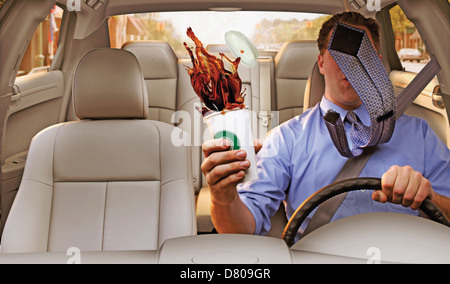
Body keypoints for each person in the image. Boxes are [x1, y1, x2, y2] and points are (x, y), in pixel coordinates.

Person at [201, 11, 450, 237]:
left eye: (363, 53)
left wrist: (429, 198)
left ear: (377, 63)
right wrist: (223, 198)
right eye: (340, 52)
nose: (352, 63)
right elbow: (241, 230)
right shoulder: (286, 139)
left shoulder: (420, 133)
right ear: (321, 62)